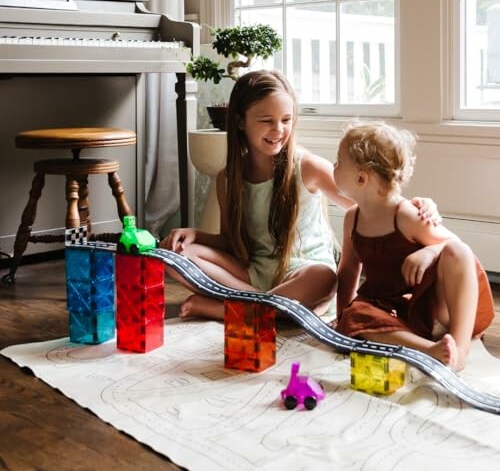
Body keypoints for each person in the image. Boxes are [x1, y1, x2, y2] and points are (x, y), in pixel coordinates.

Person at [161, 70, 439, 323]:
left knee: (324, 277)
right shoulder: (228, 179)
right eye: (267, 121)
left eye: (286, 120)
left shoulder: (307, 167)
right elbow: (231, 243)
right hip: (254, 275)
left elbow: (371, 205)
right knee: (173, 256)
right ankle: (272, 309)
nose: (279, 130)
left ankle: (226, 308)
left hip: (304, 274)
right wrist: (196, 235)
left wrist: (417, 206)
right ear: (240, 121)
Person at [334, 121, 495, 371]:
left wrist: (430, 251)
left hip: (429, 306)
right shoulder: (351, 218)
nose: (334, 166)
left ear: (361, 177)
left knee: (457, 251)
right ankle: (426, 349)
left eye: (338, 161)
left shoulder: (406, 215)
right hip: (388, 309)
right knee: (356, 316)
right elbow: (347, 271)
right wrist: (342, 316)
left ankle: (460, 350)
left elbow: (456, 246)